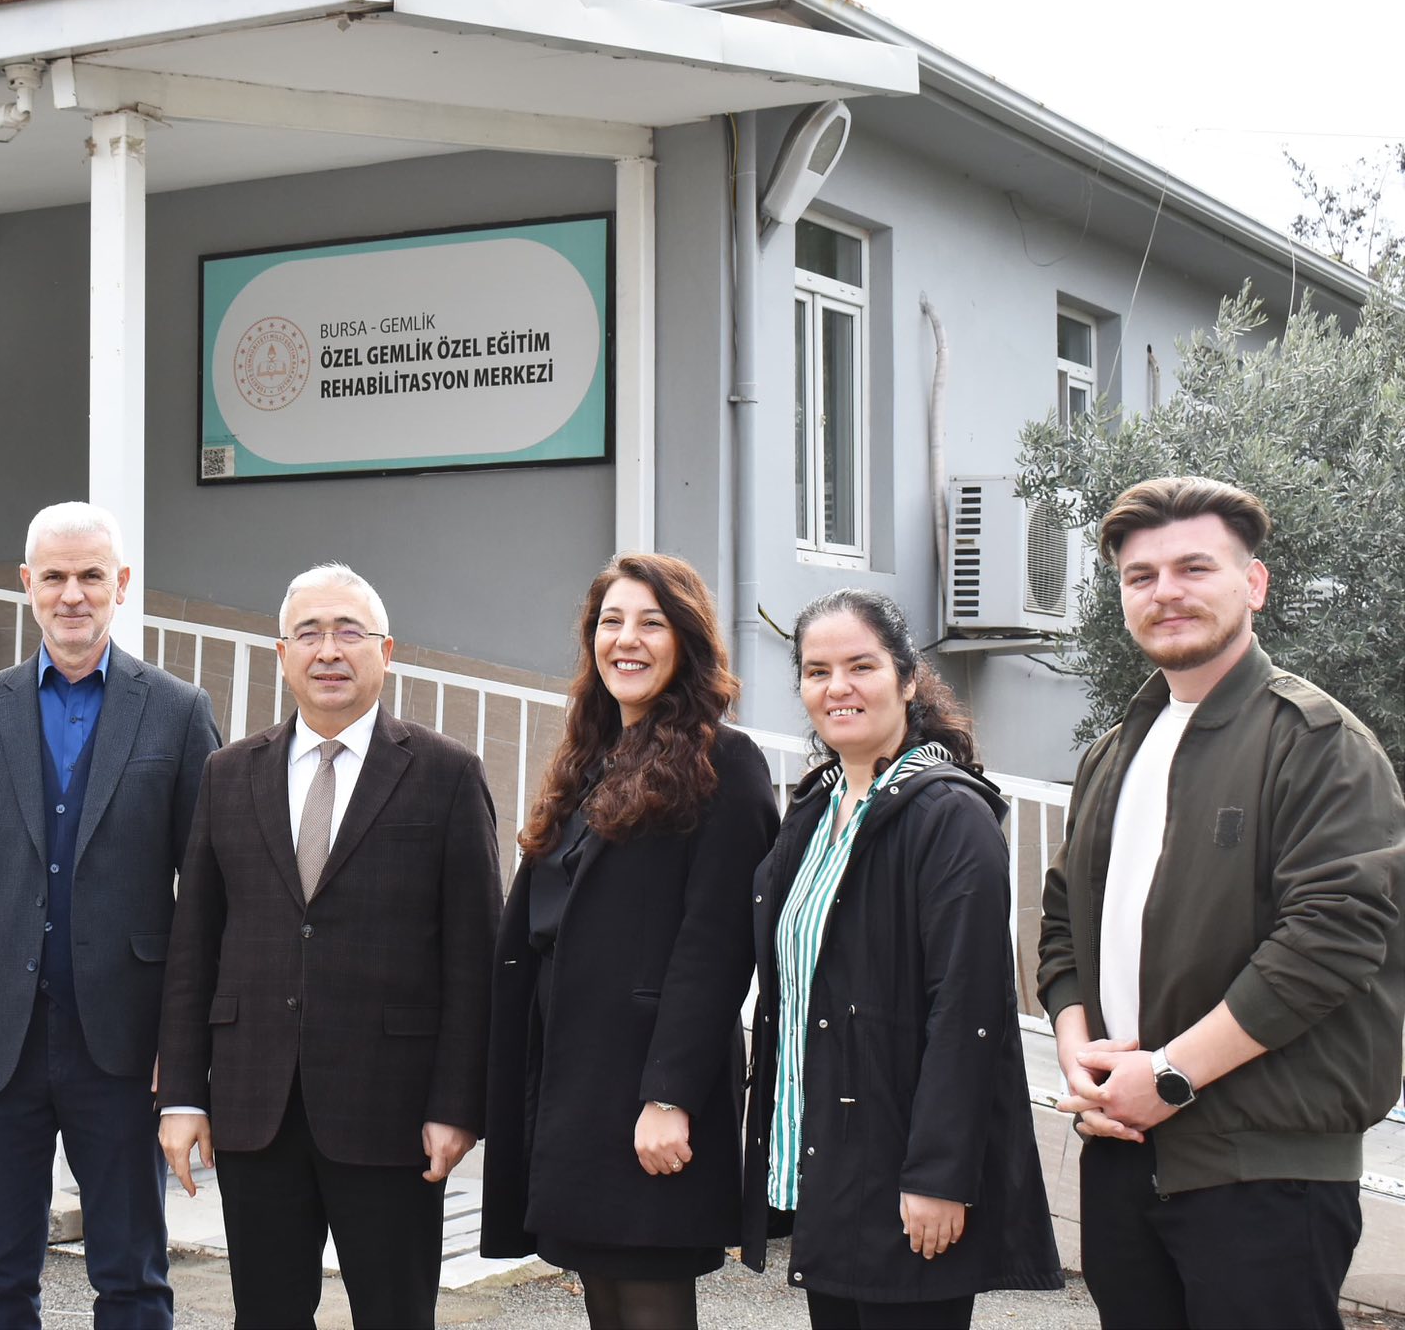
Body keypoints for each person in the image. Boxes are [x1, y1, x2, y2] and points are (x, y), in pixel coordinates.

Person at [1039, 477, 1405, 1330]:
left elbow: (1331, 940)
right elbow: (1062, 924)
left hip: (1263, 1170)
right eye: (1140, 576)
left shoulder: (1320, 745)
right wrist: (1080, 1055)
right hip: (1121, 1150)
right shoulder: (1111, 754)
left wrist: (1169, 1076)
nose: (1165, 592)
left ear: (1255, 584)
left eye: (1194, 568)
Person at [157, 563, 501, 1330]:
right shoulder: (227, 774)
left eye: (349, 632)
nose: (329, 650)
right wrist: (182, 1095)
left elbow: (475, 959)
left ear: (386, 650)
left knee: (395, 1316)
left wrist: (458, 1106)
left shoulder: (447, 775)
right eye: (308, 634)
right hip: (255, 1105)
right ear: (282, 655)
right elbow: (193, 948)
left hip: (393, 1113)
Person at [0, 502, 219, 1329]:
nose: (72, 594)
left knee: (133, 1276)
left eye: (90, 576)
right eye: (54, 577)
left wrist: (185, 1048)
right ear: (27, 585)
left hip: (125, 1042)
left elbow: (207, 895)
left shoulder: (178, 710)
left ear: (121, 584)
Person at [741, 589, 1062, 1330]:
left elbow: (968, 1009)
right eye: (817, 671)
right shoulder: (814, 814)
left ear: (908, 679)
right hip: (829, 1164)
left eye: (861, 666)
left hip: (906, 1176)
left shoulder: (950, 815)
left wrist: (939, 1175)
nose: (838, 687)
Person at [480, 553, 779, 1329]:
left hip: (650, 1086)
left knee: (647, 1293)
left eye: (651, 622)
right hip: (574, 1084)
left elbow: (717, 948)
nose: (627, 639)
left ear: (686, 639)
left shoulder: (725, 762)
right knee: (605, 1295)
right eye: (610, 622)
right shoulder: (590, 760)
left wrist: (669, 1097)